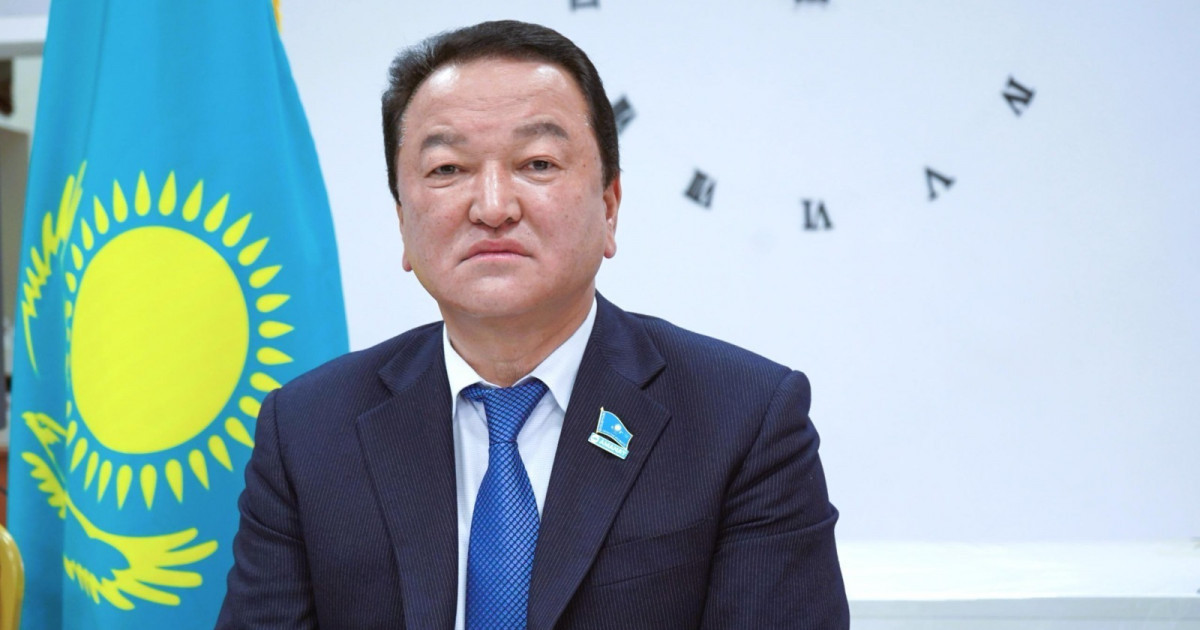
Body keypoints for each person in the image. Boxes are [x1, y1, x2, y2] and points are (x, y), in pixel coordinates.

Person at [218, 19, 849, 629]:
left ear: (609, 206)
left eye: (538, 163)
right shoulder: (307, 431)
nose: (493, 207)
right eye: (447, 169)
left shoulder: (742, 420)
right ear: (403, 222)